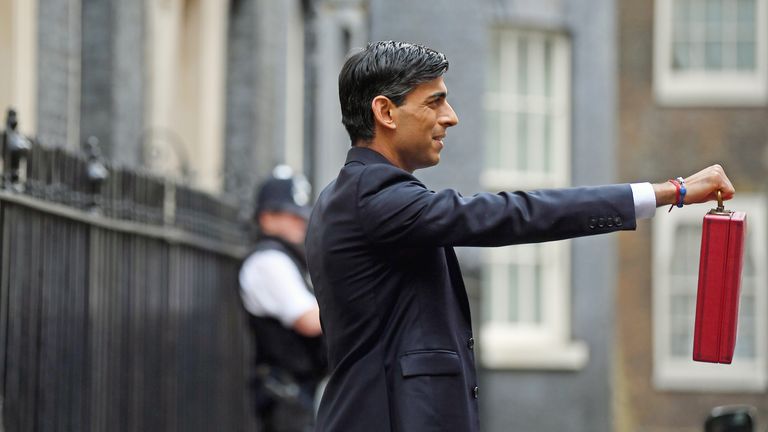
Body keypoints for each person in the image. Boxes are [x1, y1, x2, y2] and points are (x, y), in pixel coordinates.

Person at [304, 41, 735, 432]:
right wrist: (668, 192)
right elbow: (513, 215)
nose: (450, 117)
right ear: (385, 112)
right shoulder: (374, 197)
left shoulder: (357, 195)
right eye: (434, 102)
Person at [239, 165, 326, 432]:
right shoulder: (268, 261)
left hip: (297, 391)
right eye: (290, 215)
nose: (300, 222)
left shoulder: (285, 256)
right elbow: (308, 320)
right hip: (285, 394)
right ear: (267, 217)